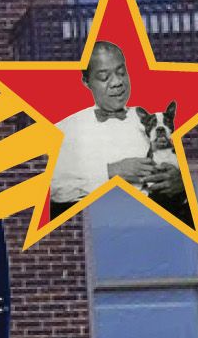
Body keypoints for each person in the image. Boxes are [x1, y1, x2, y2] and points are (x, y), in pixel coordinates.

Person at [49, 39, 186, 210]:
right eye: (104, 77)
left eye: (121, 72)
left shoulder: (151, 120)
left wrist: (181, 182)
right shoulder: (66, 129)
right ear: (86, 81)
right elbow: (55, 189)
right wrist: (111, 171)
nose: (117, 83)